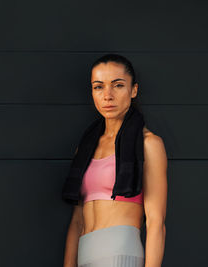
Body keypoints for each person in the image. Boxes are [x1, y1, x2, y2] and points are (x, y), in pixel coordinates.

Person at [63, 54, 167, 267]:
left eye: (118, 85)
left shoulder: (149, 144)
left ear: (133, 90)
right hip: (85, 253)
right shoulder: (84, 148)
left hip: (119, 253)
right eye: (98, 87)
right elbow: (76, 220)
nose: (107, 95)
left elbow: (156, 222)